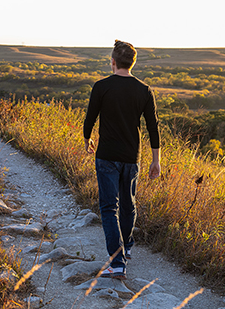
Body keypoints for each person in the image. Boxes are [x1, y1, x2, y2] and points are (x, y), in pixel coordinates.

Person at [83, 40, 161, 280]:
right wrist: (156, 161)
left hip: (106, 155)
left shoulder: (101, 86)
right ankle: (126, 248)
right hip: (131, 157)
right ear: (133, 63)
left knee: (109, 208)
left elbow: (90, 118)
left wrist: (87, 139)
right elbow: (153, 127)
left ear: (113, 62)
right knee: (128, 204)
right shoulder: (144, 90)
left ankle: (116, 263)